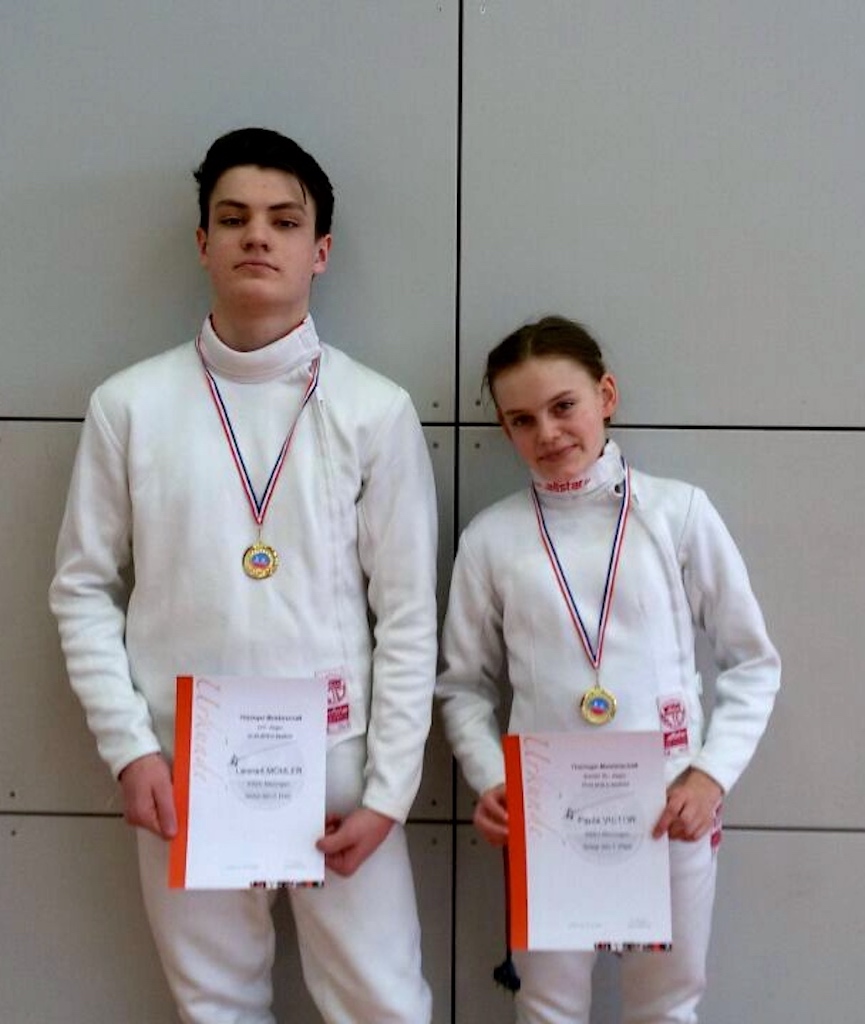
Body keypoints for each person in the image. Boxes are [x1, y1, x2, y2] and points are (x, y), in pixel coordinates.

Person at [50, 127, 437, 1024]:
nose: (257, 236)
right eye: (233, 219)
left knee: (382, 1008)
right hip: (183, 774)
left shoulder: (374, 411)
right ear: (203, 243)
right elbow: (80, 589)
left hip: (341, 774)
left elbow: (409, 614)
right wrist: (129, 749)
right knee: (213, 1008)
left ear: (319, 250)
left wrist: (388, 792)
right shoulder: (129, 406)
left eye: (283, 221)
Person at [436, 315, 780, 1024]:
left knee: (667, 1007)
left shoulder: (677, 513)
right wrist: (493, 780)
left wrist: (710, 776)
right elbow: (463, 685)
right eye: (522, 419)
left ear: (606, 396)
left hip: (670, 809)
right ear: (505, 429)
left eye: (564, 406)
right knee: (547, 1007)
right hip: (547, 816)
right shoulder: (491, 538)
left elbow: (752, 662)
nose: (548, 433)